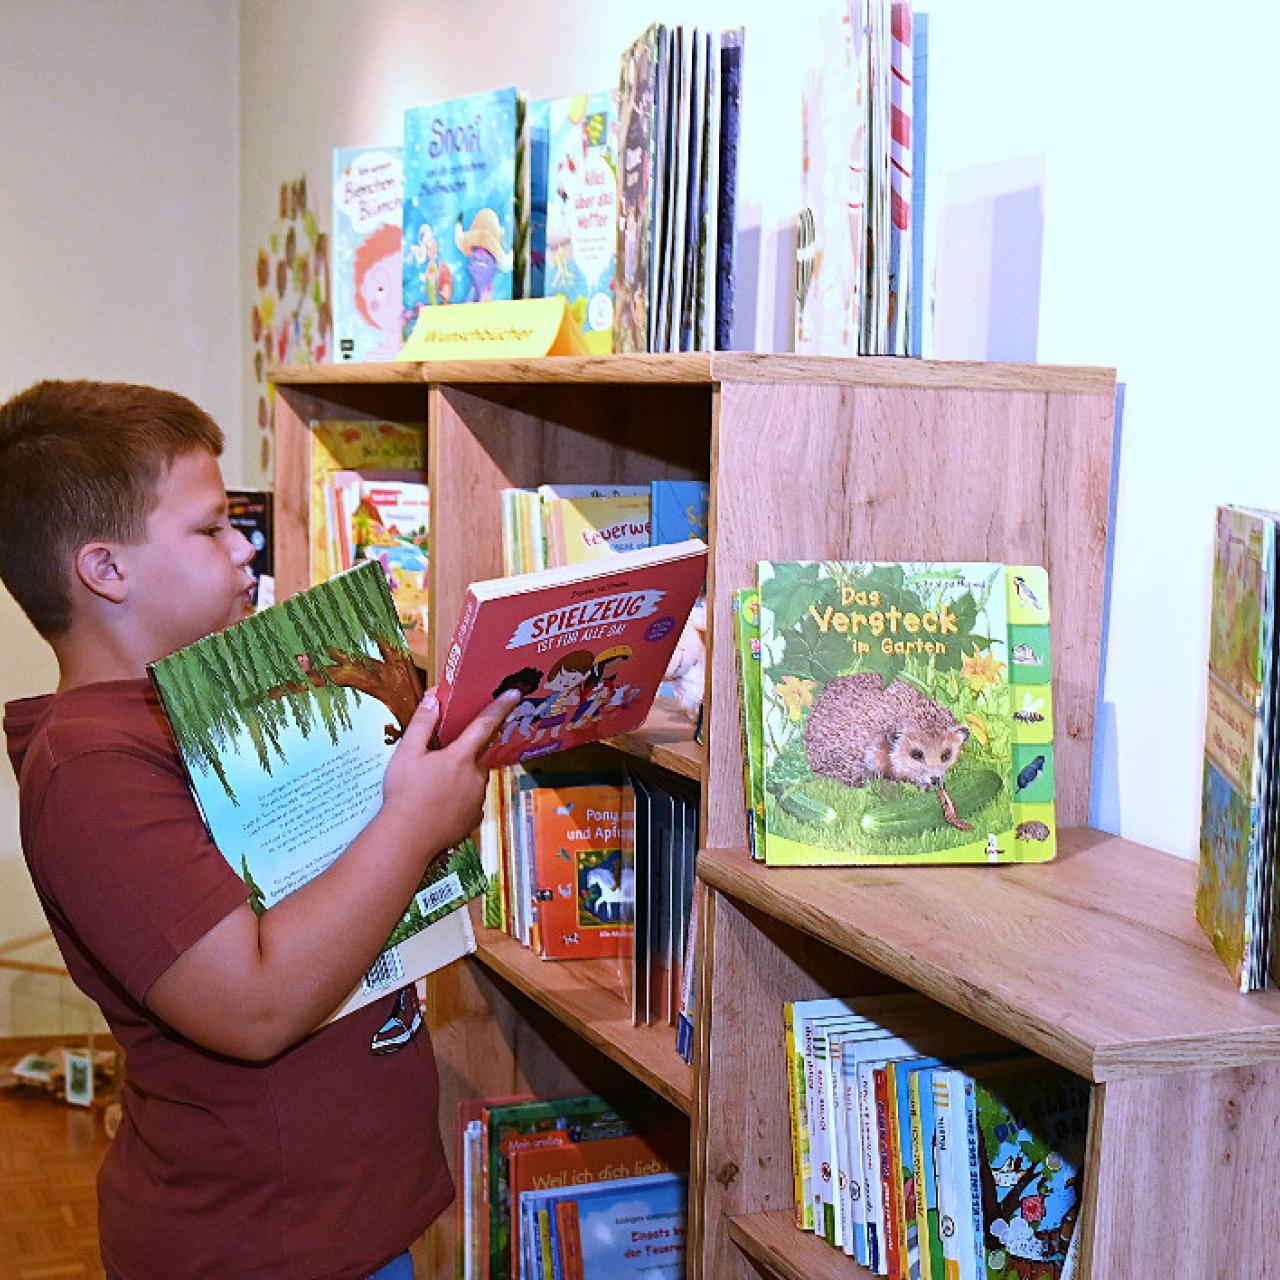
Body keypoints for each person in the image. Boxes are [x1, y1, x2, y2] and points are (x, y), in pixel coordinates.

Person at [0, 380, 521, 1279]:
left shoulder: (200, 705)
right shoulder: (89, 770)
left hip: (337, 1223)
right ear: (105, 570)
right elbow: (253, 1006)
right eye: (210, 529)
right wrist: (410, 822)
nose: (245, 548)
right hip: (252, 1245)